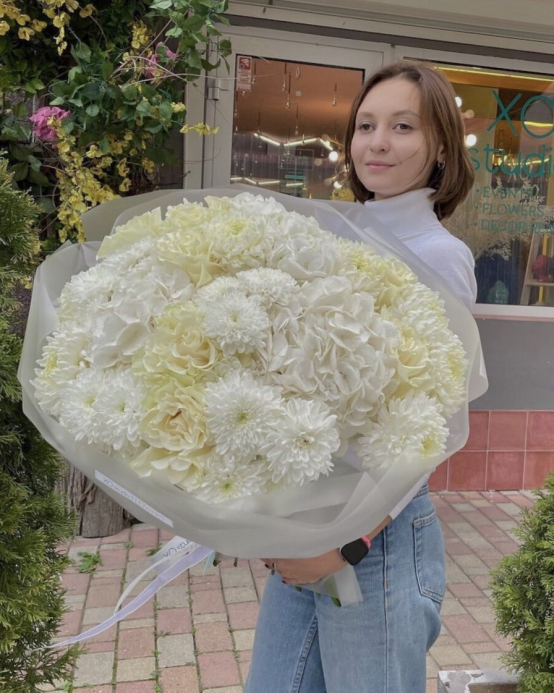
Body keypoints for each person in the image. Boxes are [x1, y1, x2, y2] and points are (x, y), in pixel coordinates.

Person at [244, 61, 477, 693]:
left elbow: (431, 421)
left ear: (439, 150)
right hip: (310, 522)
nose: (377, 142)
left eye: (403, 127)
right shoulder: (339, 237)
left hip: (378, 536)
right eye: (366, 125)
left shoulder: (438, 257)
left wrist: (348, 543)